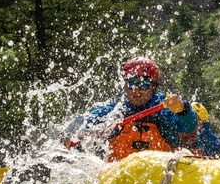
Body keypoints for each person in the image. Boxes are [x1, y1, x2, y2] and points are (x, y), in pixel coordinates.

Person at [62, 57, 197, 162]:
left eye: (144, 85)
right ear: (125, 86)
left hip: (159, 177)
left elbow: (190, 127)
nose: (136, 90)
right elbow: (85, 123)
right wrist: (70, 136)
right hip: (119, 179)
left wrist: (182, 109)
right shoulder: (114, 110)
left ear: (154, 87)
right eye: (131, 84)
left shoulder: (165, 109)